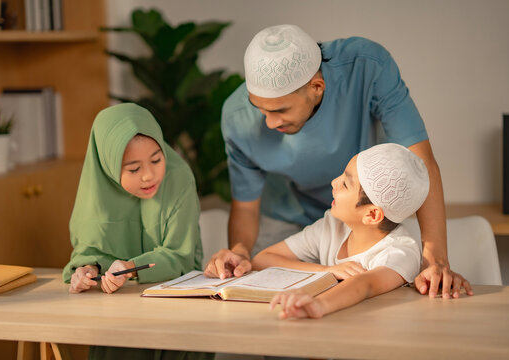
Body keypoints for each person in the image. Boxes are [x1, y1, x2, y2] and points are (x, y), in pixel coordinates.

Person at [205, 24, 470, 299]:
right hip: (288, 220)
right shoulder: (237, 118)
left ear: (316, 87)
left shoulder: (367, 66)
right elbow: (246, 209)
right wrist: (239, 251)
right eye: (259, 108)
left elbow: (420, 161)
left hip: (364, 219)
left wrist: (435, 260)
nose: (269, 123)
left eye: (280, 110)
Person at [62, 103, 213, 360]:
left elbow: (180, 256)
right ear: (109, 166)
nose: (149, 176)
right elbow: (89, 251)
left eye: (157, 159)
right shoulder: (96, 191)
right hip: (117, 317)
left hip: (180, 309)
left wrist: (131, 266)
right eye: (134, 169)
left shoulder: (179, 179)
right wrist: (88, 270)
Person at [253, 143, 472, 319]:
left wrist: (319, 304)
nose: (334, 182)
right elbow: (262, 259)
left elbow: (364, 284)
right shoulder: (331, 227)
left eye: (346, 184)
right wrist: (326, 271)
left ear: (372, 215)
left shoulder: (402, 251)